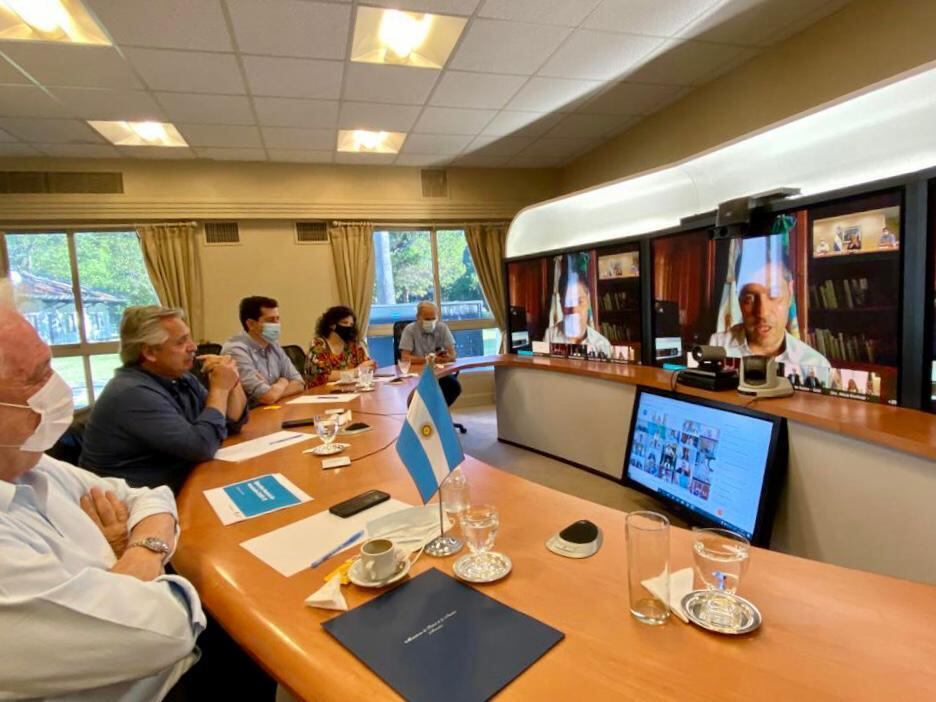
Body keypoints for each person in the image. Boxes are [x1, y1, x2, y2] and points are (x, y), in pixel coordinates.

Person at [0, 295, 205, 700]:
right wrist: (131, 557)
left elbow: (148, 497)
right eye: (38, 375)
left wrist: (138, 551)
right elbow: (166, 629)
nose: (56, 386)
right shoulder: (133, 392)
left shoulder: (31, 464)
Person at [81, 306, 248, 493]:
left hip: (178, 485)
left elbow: (229, 423)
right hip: (134, 504)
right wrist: (219, 389)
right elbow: (202, 446)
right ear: (150, 353)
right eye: (181, 342)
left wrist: (232, 378)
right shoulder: (132, 393)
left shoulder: (180, 377)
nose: (193, 347)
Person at [709, 240, 830, 373]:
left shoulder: (816, 365)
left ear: (790, 292)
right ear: (738, 298)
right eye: (749, 299)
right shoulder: (717, 347)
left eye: (774, 294)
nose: (762, 312)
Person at [222, 296, 305, 405]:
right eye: (270, 320)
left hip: (274, 410)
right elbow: (267, 397)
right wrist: (283, 381)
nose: (276, 325)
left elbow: (299, 383)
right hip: (251, 416)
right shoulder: (235, 351)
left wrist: (275, 390)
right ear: (251, 324)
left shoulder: (273, 345)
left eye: (277, 319)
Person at [399, 301, 462, 406]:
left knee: (454, 387)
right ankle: (422, 417)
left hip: (439, 373)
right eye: (427, 319)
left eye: (433, 318)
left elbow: (453, 354)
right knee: (419, 392)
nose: (431, 322)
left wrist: (448, 357)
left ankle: (438, 416)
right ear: (418, 317)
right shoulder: (410, 330)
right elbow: (405, 357)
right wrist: (429, 359)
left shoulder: (442, 328)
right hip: (416, 374)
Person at [305, 305, 376, 386]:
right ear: (332, 325)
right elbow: (323, 376)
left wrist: (369, 366)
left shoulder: (353, 345)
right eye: (345, 323)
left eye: (351, 324)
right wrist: (356, 371)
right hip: (321, 394)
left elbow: (368, 366)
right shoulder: (318, 345)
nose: (349, 327)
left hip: (349, 390)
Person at [543, 278, 612, 356]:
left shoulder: (602, 345)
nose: (574, 310)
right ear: (561, 305)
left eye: (579, 301)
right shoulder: (550, 336)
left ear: (588, 302)